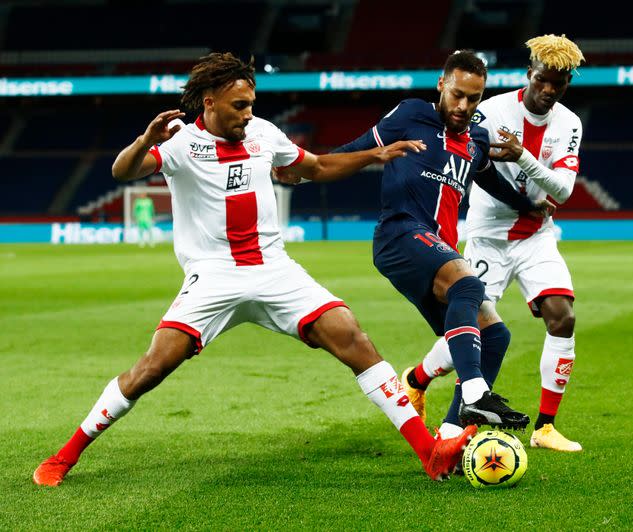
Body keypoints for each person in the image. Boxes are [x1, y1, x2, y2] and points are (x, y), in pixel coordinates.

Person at [32, 53, 476, 487]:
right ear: (208, 102)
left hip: (274, 270)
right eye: (239, 106)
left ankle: (431, 453)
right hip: (215, 275)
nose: (248, 114)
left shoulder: (264, 133)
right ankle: (64, 455)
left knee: (354, 340)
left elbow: (316, 166)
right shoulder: (181, 144)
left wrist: (375, 155)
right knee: (152, 368)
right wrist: (145, 140)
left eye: (251, 104)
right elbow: (122, 171)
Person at [303, 50, 556, 431]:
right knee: (468, 284)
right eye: (457, 94)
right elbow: (353, 149)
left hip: (437, 249)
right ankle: (474, 394)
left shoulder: (476, 139)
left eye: (474, 98)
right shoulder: (410, 114)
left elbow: (489, 179)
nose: (463, 105)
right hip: (399, 234)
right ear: (442, 84)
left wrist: (528, 205)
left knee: (495, 335)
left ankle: (451, 436)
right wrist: (304, 168)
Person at [400, 35, 586, 452]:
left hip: (537, 237)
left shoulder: (569, 123)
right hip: (488, 237)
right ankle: (418, 379)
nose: (549, 91)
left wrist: (522, 157)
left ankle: (545, 428)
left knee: (563, 318)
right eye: (542, 80)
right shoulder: (491, 110)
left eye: (559, 84)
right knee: (476, 331)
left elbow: (566, 189)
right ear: (529, 75)